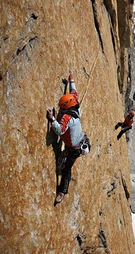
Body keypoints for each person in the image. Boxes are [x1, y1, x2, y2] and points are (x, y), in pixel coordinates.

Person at [46, 71, 90, 204]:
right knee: (64, 162)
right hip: (81, 141)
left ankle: (62, 192)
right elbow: (73, 92)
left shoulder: (67, 118)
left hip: (74, 149)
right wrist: (71, 79)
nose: (61, 110)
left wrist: (52, 118)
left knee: (66, 170)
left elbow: (59, 130)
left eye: (62, 108)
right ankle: (65, 154)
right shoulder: (76, 106)